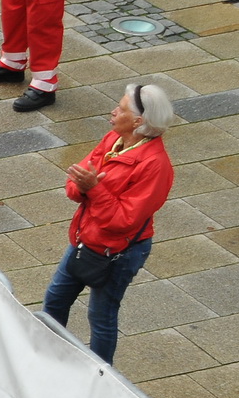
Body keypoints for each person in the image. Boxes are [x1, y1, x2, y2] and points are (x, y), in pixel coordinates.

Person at [41, 83, 175, 365]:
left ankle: (102, 375)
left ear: (139, 121)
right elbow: (75, 182)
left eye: (121, 108)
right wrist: (84, 187)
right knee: (54, 300)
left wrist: (93, 188)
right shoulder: (112, 140)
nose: (113, 111)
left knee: (101, 317)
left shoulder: (155, 166)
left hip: (119, 252)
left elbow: (123, 221)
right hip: (86, 239)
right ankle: (46, 357)